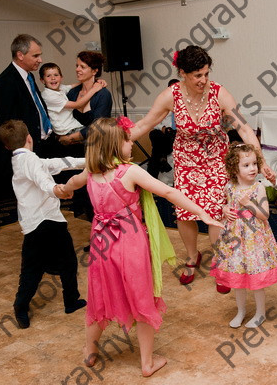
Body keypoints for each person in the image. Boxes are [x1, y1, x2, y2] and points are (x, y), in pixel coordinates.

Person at [62, 117, 223, 376]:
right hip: (130, 245)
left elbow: (72, 184)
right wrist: (202, 213)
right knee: (141, 298)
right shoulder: (130, 171)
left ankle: (90, 351)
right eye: (127, 139)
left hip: (101, 246)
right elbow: (169, 192)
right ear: (115, 145)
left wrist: (61, 190)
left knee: (99, 296)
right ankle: (147, 363)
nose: (132, 142)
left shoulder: (90, 172)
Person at [129, 45, 275, 287]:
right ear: (182, 73)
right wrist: (114, 144)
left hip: (216, 159)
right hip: (186, 161)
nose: (203, 80)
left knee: (219, 211)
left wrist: (261, 160)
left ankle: (222, 261)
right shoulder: (170, 96)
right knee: (185, 213)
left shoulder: (219, 93)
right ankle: (192, 256)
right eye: (197, 75)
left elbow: (244, 129)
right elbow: (144, 124)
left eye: (206, 73)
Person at [0, 120, 86, 329]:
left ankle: (22, 306)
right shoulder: (30, 162)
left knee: (33, 269)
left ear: (7, 146)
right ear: (30, 138)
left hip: (35, 223)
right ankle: (70, 301)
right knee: (67, 262)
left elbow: (57, 163)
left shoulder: (22, 160)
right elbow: (43, 181)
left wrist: (87, 161)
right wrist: (59, 190)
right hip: (46, 220)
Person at [210, 143, 277, 327]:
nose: (252, 169)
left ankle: (260, 313)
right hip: (234, 238)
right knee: (237, 277)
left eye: (254, 164)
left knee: (255, 277)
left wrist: (249, 204)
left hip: (254, 240)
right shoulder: (230, 187)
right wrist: (225, 209)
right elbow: (226, 205)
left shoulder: (258, 188)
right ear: (234, 168)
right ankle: (241, 311)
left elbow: (265, 215)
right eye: (246, 165)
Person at [0, 34, 54, 156]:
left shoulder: (29, 76)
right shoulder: (6, 81)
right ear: (20, 55)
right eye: (35, 56)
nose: (40, 60)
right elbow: (9, 124)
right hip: (25, 150)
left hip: (43, 144)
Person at [58, 51, 113, 145]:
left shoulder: (103, 95)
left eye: (82, 67)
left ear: (95, 71)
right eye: (77, 66)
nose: (77, 69)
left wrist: (70, 138)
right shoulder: (72, 92)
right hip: (72, 146)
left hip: (97, 145)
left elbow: (98, 127)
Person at [39, 62, 106, 137]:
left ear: (61, 77)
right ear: (42, 80)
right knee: (94, 135)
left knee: (95, 133)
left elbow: (74, 85)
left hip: (72, 126)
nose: (53, 78)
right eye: (48, 76)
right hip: (67, 130)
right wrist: (94, 89)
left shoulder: (60, 88)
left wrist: (96, 81)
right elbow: (77, 104)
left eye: (56, 75)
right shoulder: (48, 95)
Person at [147, 79, 179, 178]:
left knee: (156, 151)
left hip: (178, 135)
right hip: (165, 135)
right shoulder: (163, 104)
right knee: (154, 134)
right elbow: (154, 122)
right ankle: (161, 159)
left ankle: (155, 172)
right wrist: (163, 128)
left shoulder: (185, 104)